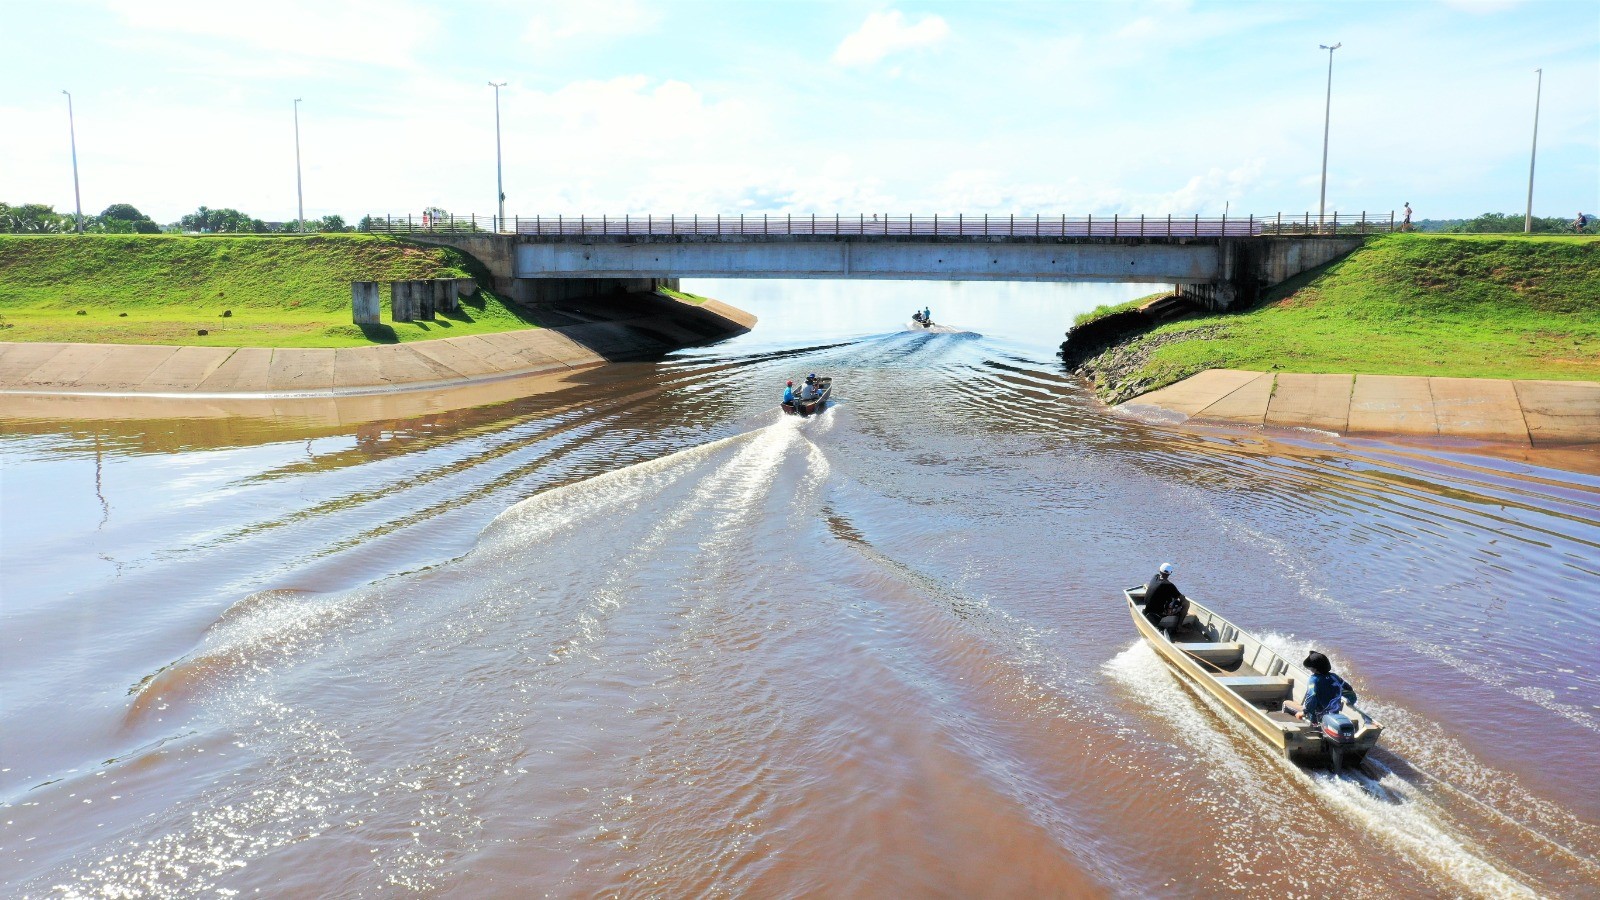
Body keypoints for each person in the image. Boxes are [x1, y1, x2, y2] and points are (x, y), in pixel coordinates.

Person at [1284, 651, 1358, 724]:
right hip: (1333, 716)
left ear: (1315, 669)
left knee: (1286, 703)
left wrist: (1304, 712)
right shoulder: (1334, 677)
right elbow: (1350, 691)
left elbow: (1311, 697)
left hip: (1316, 718)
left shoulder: (1314, 680)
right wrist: (1351, 702)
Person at [1142, 562, 1188, 629]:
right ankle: (1179, 626)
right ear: (1170, 573)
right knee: (1186, 603)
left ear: (1160, 570)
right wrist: (1182, 598)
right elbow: (1182, 599)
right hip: (1158, 613)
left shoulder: (1155, 577)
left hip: (1147, 609)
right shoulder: (1169, 585)